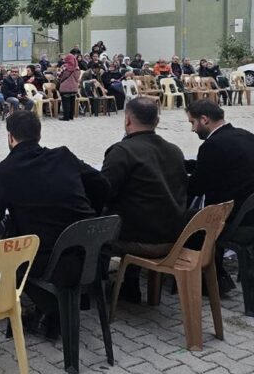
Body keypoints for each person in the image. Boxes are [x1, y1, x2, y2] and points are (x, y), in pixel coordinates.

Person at [0, 111, 109, 333]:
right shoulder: (64, 156)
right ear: (39, 135)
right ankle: (52, 312)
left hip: (46, 259)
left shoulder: (4, 171)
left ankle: (48, 308)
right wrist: (87, 216)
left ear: (10, 137)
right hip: (90, 251)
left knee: (2, 255)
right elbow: (102, 186)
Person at [100, 97, 188, 302]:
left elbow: (103, 192)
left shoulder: (122, 151)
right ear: (157, 121)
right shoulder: (174, 150)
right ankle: (129, 284)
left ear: (127, 120)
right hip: (175, 235)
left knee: (96, 230)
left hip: (143, 240)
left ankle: (100, 290)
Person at [185, 99, 254, 293]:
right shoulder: (246, 136)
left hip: (232, 221)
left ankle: (201, 277)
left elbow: (196, 187)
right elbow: (213, 165)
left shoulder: (212, 145)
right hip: (249, 214)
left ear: (204, 119)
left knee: (185, 221)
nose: (192, 129)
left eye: (192, 122)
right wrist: (182, 164)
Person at [58, 54, 81, 121]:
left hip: (65, 87)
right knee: (72, 102)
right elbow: (78, 76)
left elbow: (59, 75)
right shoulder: (77, 67)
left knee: (66, 102)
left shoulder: (64, 66)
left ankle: (66, 117)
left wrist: (61, 80)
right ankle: (71, 116)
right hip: (74, 87)